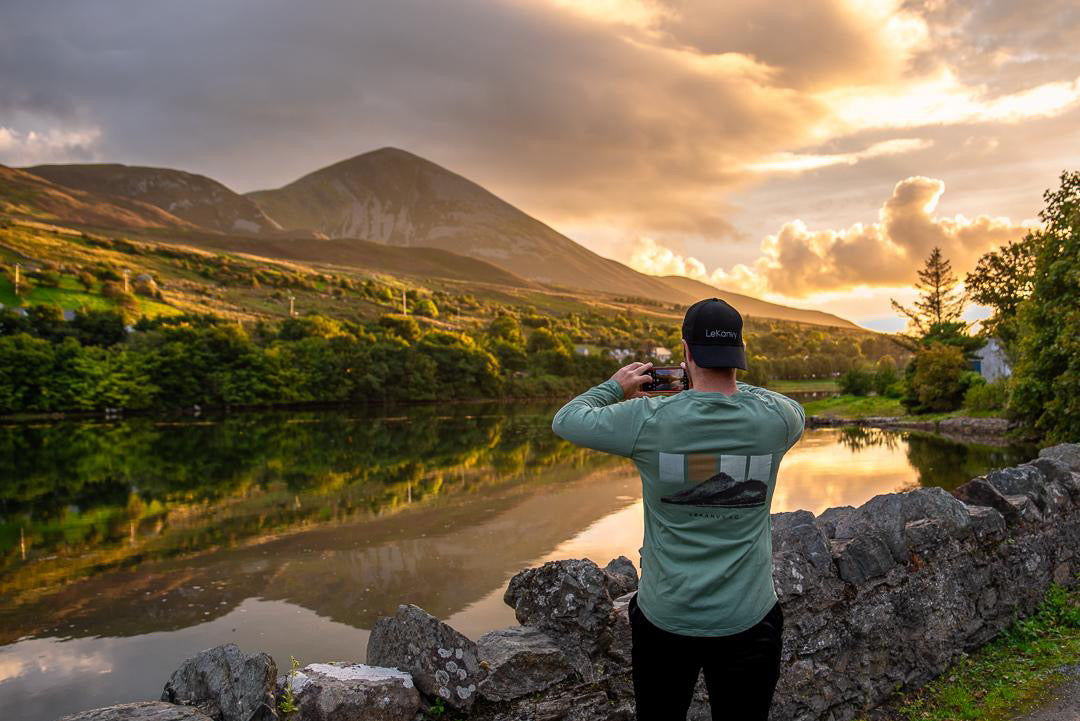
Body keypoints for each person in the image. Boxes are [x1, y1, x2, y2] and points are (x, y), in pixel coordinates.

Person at [551, 297, 805, 721]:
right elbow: (781, 403)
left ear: (685, 351)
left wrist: (616, 386)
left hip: (666, 620)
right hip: (749, 618)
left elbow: (567, 419)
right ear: (739, 354)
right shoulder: (776, 420)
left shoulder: (648, 418)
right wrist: (731, 385)